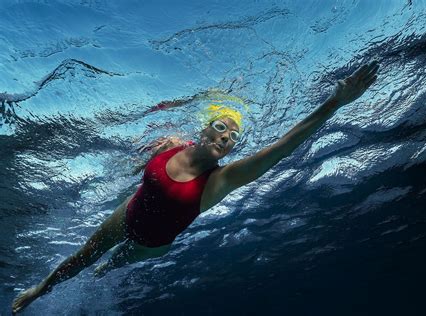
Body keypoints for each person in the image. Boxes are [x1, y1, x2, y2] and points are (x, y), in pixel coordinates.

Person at [12, 61, 379, 314]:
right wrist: (145, 159)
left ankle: (93, 288)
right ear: (204, 130)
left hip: (150, 244)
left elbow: (282, 146)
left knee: (103, 270)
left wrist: (334, 103)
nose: (228, 137)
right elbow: (150, 161)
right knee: (82, 257)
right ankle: (40, 290)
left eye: (234, 135)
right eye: (221, 127)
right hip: (128, 214)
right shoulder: (174, 143)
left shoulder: (222, 179)